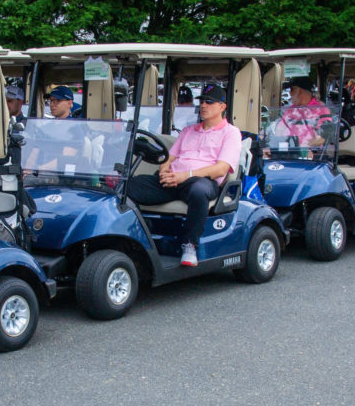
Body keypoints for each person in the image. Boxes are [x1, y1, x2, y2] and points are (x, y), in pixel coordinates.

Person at [126, 85, 241, 267]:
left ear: (222, 106)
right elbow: (168, 157)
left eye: (209, 102)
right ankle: (132, 238)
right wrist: (164, 170)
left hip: (202, 181)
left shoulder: (231, 133)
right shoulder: (188, 131)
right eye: (202, 101)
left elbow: (221, 169)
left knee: (199, 190)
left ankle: (190, 245)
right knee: (128, 185)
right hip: (174, 180)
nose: (204, 105)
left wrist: (184, 176)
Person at [264, 76, 332, 153]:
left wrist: (302, 148)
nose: (289, 93)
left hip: (310, 154)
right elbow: (279, 130)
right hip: (287, 152)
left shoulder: (321, 109)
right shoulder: (291, 109)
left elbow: (324, 136)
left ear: (301, 91)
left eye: (292, 89)